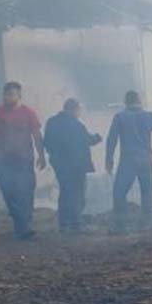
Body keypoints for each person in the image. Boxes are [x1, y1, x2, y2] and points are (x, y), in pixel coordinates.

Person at [0, 82, 45, 239]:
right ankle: (21, 224)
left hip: (24, 160)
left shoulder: (29, 113)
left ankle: (24, 227)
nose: (7, 97)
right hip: (4, 161)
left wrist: (41, 155)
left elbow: (36, 135)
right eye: (5, 94)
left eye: (11, 94)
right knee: (9, 193)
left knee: (26, 193)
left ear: (19, 96)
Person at [106, 90, 152, 232]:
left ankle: (121, 225)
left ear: (125, 102)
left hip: (128, 161)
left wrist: (109, 160)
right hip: (145, 160)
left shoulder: (119, 117)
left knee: (119, 192)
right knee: (146, 192)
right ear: (139, 101)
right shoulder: (149, 116)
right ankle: (146, 224)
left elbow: (111, 139)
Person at [43, 98, 102, 233]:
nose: (80, 113)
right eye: (79, 110)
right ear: (74, 109)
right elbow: (88, 140)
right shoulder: (76, 125)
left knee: (65, 192)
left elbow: (46, 142)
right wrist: (98, 137)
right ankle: (76, 223)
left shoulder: (51, 122)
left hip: (59, 165)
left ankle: (64, 224)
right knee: (77, 194)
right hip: (76, 165)